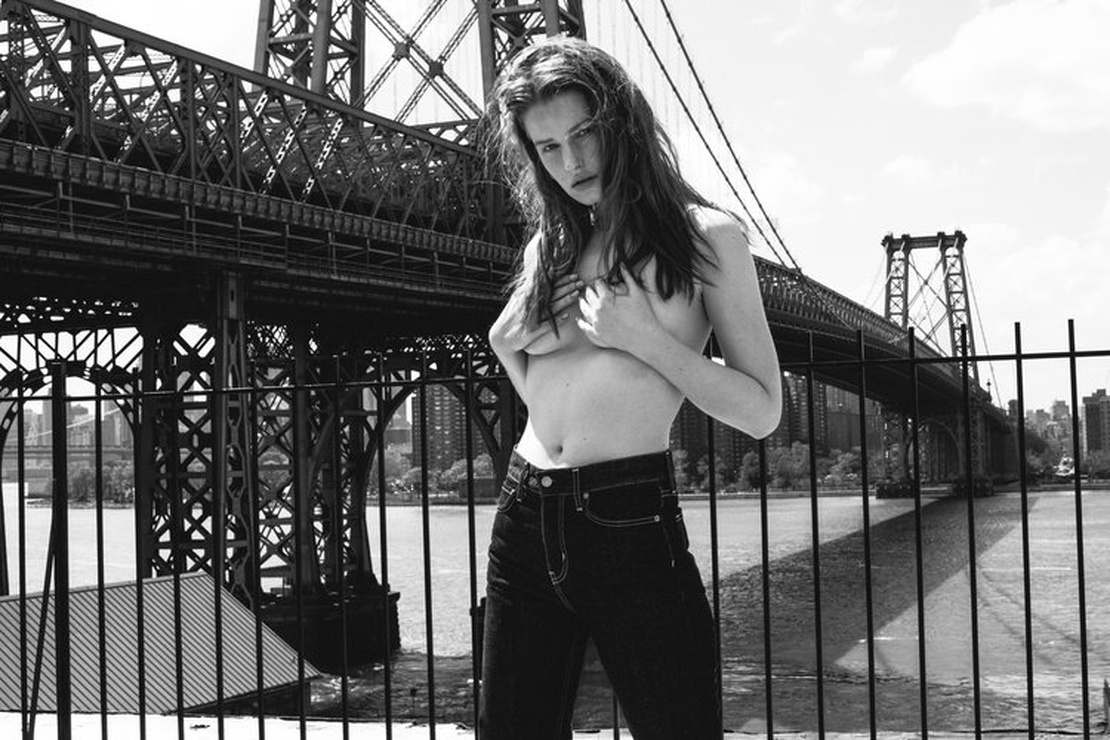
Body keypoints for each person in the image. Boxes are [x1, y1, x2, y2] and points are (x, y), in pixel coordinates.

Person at [481, 36, 782, 739]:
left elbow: (763, 409)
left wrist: (644, 339)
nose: (572, 163)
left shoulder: (708, 239)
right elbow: (545, 397)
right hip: (524, 514)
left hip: (627, 517)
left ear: (623, 122)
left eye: (585, 133)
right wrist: (502, 341)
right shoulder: (551, 246)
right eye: (548, 148)